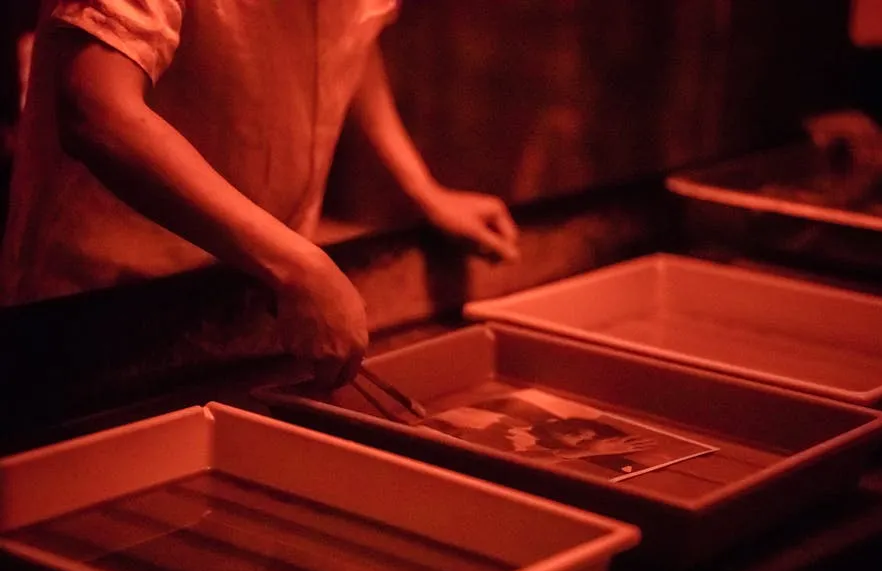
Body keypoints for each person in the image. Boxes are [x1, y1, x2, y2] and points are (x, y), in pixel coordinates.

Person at [0, 0, 520, 389]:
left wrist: (422, 188)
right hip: (105, 311)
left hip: (260, 295)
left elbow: (353, 39)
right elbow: (96, 109)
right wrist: (298, 267)